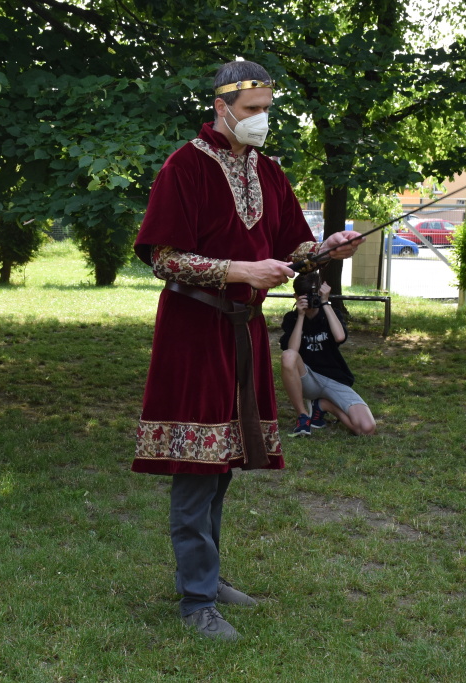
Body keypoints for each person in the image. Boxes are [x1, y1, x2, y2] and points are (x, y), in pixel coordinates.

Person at [132, 60, 363, 641]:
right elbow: (163, 257)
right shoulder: (184, 166)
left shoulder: (268, 169)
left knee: (225, 460)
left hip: (244, 330)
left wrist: (327, 247)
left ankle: (206, 578)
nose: (262, 119)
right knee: (196, 465)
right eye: (252, 110)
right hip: (192, 331)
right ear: (222, 107)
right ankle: (196, 600)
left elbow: (292, 244)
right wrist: (241, 269)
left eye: (266, 109)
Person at [278, 271, 376, 437]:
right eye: (305, 296)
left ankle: (323, 405)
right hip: (307, 378)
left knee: (366, 429)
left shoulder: (330, 314)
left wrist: (325, 302)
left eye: (313, 295)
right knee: (288, 356)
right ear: (296, 297)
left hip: (334, 379)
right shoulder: (291, 318)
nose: (311, 300)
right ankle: (303, 416)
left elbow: (339, 337)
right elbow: (292, 351)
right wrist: (301, 316)